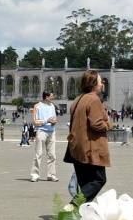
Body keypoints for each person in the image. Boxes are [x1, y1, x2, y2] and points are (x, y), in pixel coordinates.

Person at [64, 70, 111, 201]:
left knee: (85, 183)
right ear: (94, 84)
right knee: (99, 179)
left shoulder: (78, 99)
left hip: (76, 148)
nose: (102, 85)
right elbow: (97, 124)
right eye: (101, 82)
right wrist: (109, 124)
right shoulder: (94, 100)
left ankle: (82, 214)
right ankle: (74, 205)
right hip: (90, 149)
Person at [30, 90, 59, 182]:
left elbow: (53, 118)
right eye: (51, 96)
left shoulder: (52, 106)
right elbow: (35, 122)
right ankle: (35, 175)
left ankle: (51, 175)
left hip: (51, 132)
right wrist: (47, 121)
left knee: (52, 155)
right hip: (41, 132)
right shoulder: (37, 106)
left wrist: (54, 122)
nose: (53, 97)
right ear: (46, 97)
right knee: (38, 154)